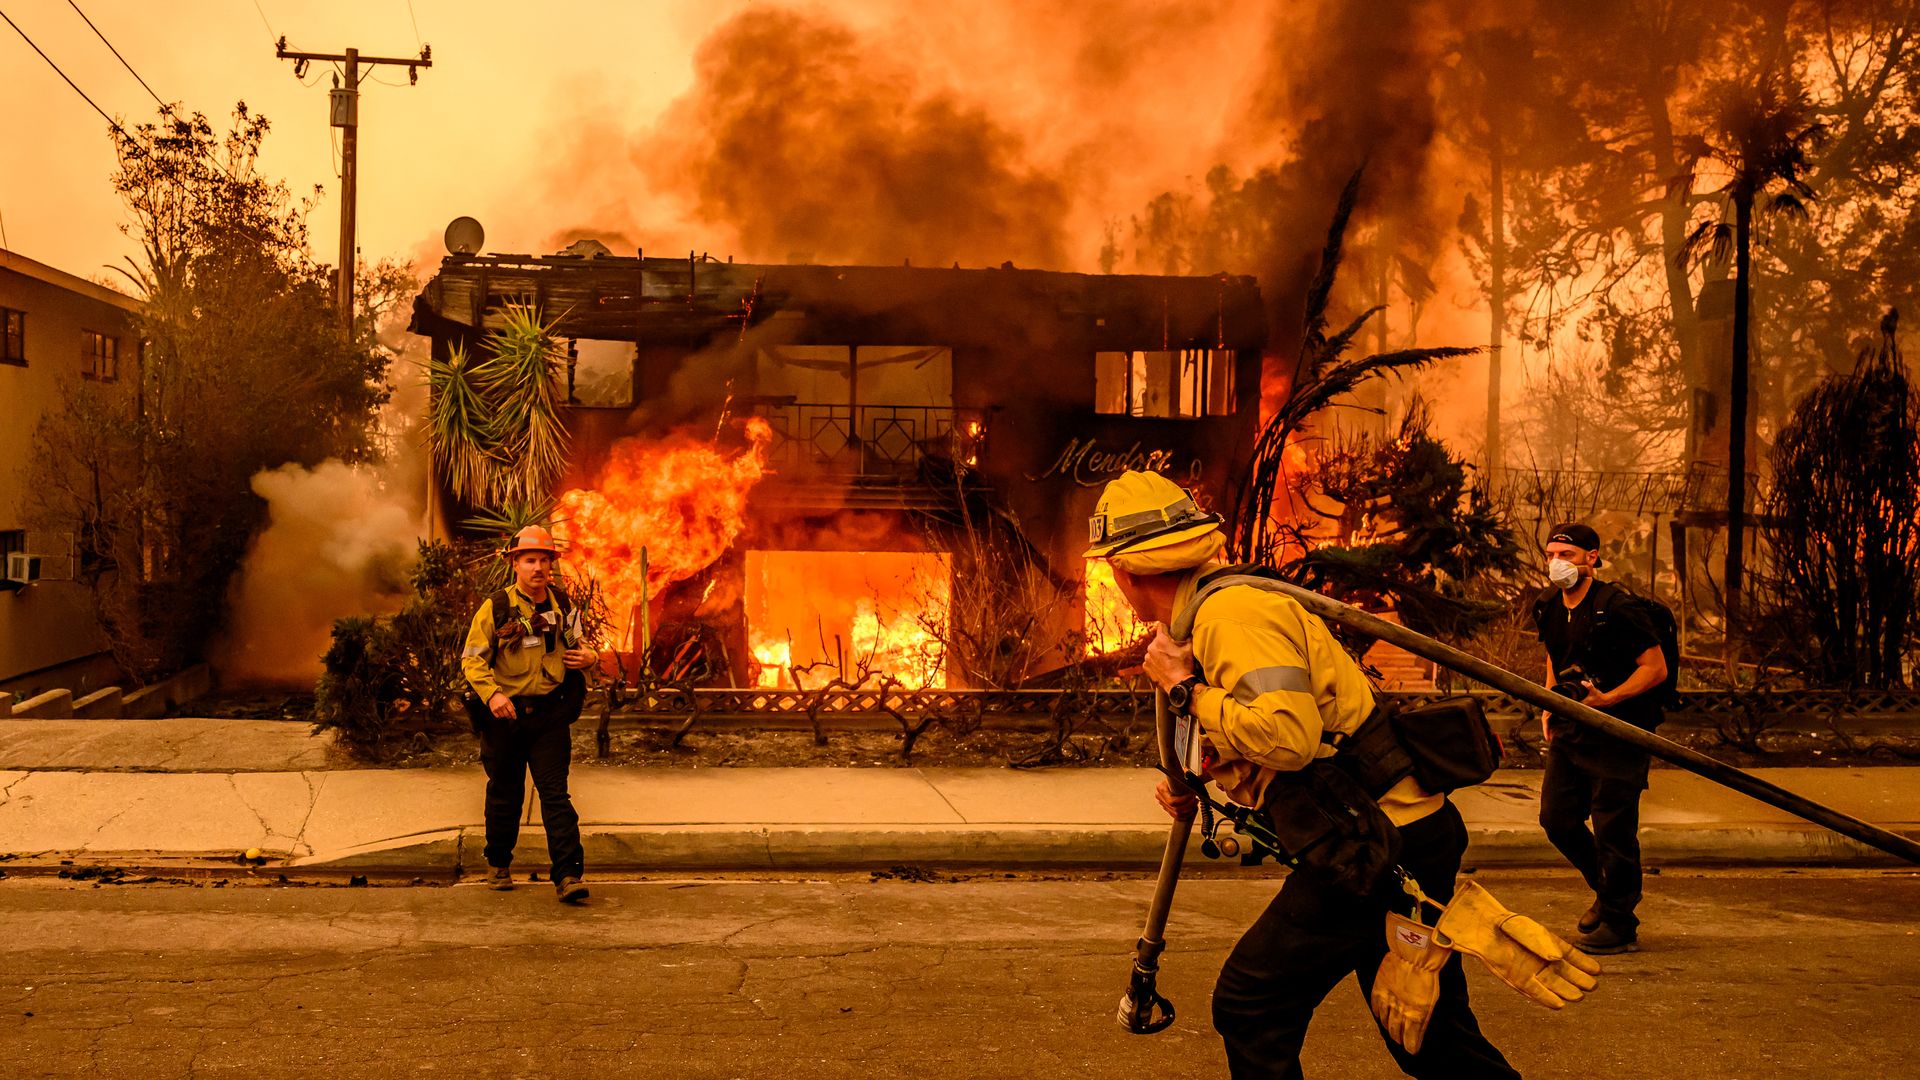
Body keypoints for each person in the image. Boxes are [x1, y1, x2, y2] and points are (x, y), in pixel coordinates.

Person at [1088, 470, 1520, 1079]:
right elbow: (1259, 724)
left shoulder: (1229, 616)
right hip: (1392, 832)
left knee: (1251, 1003)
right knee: (1426, 1034)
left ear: (1124, 572)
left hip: (1378, 843)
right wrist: (1195, 775)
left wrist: (1184, 690)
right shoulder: (1200, 618)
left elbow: (1288, 739)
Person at [1530, 522, 1667, 955]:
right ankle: (1609, 895)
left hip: (1620, 730)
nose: (1556, 563)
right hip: (1571, 727)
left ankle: (1620, 921)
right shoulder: (1548, 603)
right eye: (1551, 555)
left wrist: (1607, 699)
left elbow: (1654, 668)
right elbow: (1555, 655)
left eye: (1566, 556)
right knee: (1557, 819)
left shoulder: (1618, 607)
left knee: (1613, 826)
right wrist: (1549, 704)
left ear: (1591, 558)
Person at [461, 525, 600, 903]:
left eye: (543, 560)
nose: (538, 567)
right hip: (505, 716)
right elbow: (472, 662)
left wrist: (590, 657)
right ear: (515, 565)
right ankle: (499, 863)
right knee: (505, 793)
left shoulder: (562, 605)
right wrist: (492, 696)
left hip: (550, 716)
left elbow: (580, 644)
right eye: (530, 560)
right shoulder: (497, 607)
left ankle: (568, 876)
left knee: (555, 794)